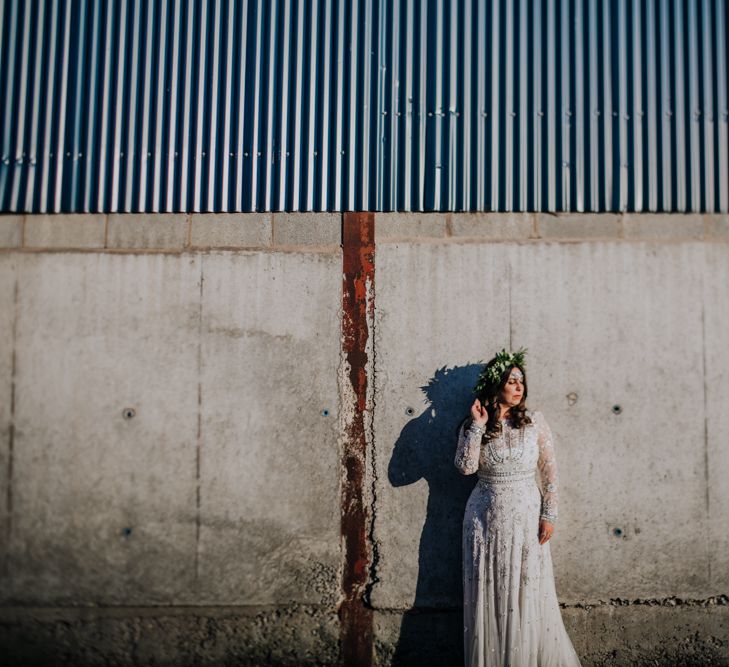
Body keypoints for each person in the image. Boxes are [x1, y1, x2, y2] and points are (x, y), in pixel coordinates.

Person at [454, 348, 581, 666]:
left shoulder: (535, 422)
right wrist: (478, 426)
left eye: (521, 380)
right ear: (495, 385)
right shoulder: (474, 424)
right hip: (485, 519)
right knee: (492, 591)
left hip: (526, 517)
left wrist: (549, 514)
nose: (518, 386)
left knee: (525, 590)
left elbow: (550, 472)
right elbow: (465, 467)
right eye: (511, 380)